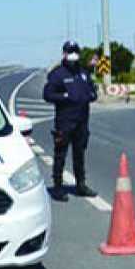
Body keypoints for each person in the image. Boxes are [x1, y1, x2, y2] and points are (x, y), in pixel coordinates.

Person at [42, 41, 98, 202]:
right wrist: (65, 97)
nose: (73, 54)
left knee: (79, 154)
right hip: (65, 122)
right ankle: (58, 187)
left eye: (75, 51)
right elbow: (47, 95)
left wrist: (91, 96)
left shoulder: (83, 73)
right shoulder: (58, 74)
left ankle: (80, 185)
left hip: (82, 121)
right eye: (70, 51)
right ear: (64, 54)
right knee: (60, 155)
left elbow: (92, 91)